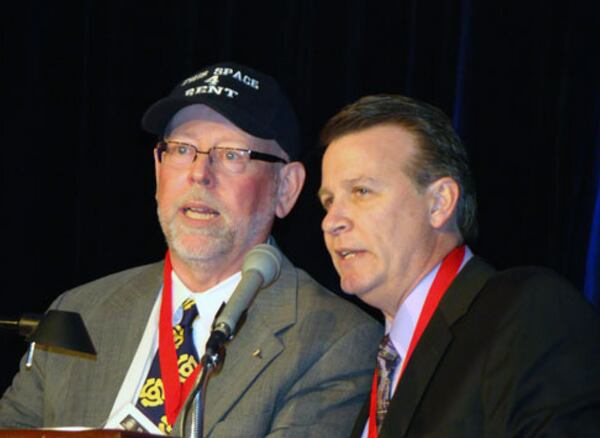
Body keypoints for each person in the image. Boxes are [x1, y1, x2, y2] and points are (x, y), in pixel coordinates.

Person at [0, 62, 382, 437]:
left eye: (232, 154)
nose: (199, 173)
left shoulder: (333, 342)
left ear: (286, 187)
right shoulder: (79, 311)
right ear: (157, 169)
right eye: (182, 150)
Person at [318, 94, 600, 437]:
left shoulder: (525, 311)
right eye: (329, 201)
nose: (332, 221)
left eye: (361, 191)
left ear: (440, 203)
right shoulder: (380, 364)